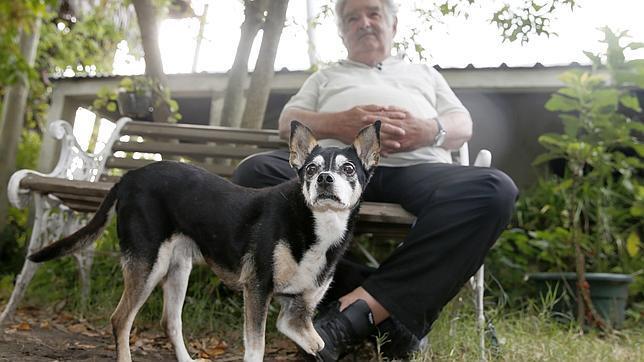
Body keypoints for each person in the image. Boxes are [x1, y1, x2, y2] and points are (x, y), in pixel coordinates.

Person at [232, 0, 518, 359]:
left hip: (417, 168)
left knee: (494, 190)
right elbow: (287, 122)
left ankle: (353, 315)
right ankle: (383, 305)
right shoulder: (326, 76)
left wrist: (428, 129)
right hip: (337, 170)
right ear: (342, 31)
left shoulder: (424, 73)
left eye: (373, 14)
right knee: (253, 174)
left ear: (393, 25)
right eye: (352, 18)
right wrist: (338, 124)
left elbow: (463, 126)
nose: (364, 23)